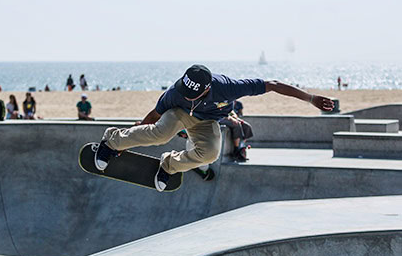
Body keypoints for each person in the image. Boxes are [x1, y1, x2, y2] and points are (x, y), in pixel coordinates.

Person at [94, 64, 334, 192]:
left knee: (209, 154)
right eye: (185, 92)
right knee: (160, 134)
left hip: (207, 122)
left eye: (193, 95)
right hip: (177, 115)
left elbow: (272, 85)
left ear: (207, 88)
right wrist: (130, 137)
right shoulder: (176, 94)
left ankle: (169, 165)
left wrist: (310, 98)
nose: (187, 96)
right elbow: (155, 114)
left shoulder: (228, 87)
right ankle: (112, 141)